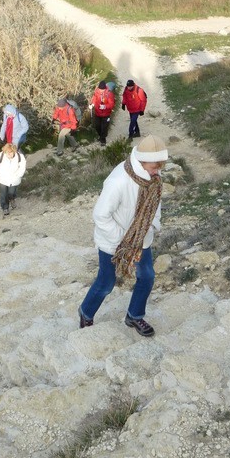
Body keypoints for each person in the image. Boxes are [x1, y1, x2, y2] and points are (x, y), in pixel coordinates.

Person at [78, 134, 168, 337]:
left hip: (141, 239)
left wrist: (150, 228)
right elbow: (100, 216)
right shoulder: (118, 181)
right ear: (142, 161)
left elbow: (156, 206)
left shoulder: (152, 179)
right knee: (106, 282)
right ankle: (86, 312)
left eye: (160, 166)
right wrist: (125, 241)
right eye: (155, 166)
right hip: (113, 242)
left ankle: (134, 315)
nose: (158, 171)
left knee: (147, 276)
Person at [0, 143, 27, 216]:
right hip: (3, 179)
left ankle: (12, 198)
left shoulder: (20, 156)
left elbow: (22, 167)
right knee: (3, 194)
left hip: (14, 179)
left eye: (11, 152)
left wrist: (18, 175)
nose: (9, 154)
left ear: (14, 151)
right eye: (7, 152)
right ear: (5, 151)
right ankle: (5, 207)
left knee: (11, 192)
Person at [90, 80, 115, 146]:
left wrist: (105, 106)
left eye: (102, 90)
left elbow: (112, 104)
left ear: (105, 88)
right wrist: (92, 104)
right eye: (100, 89)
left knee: (104, 127)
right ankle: (101, 136)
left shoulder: (109, 94)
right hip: (97, 113)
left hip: (106, 114)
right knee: (97, 126)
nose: (101, 91)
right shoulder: (96, 92)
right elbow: (94, 98)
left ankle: (103, 139)